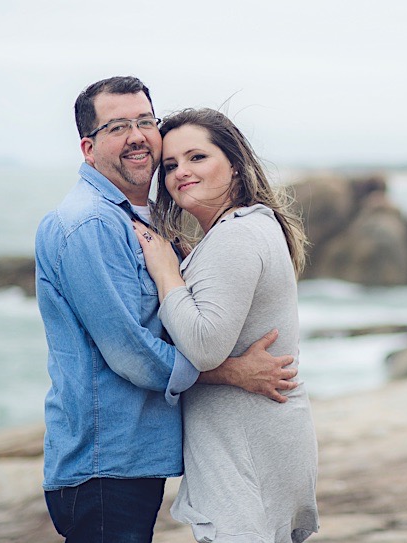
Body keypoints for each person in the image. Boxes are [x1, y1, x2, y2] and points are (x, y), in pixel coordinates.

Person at [35, 76, 300, 543]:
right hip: (104, 463)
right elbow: (131, 352)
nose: (137, 136)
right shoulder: (92, 224)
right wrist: (233, 372)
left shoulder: (143, 222)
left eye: (144, 122)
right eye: (117, 127)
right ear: (88, 147)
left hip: (134, 456)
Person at [132, 108, 319, 543]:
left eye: (197, 157)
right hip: (261, 433)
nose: (181, 172)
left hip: (245, 443)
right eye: (171, 165)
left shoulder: (235, 235)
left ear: (234, 162)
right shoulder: (251, 224)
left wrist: (166, 273)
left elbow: (203, 346)